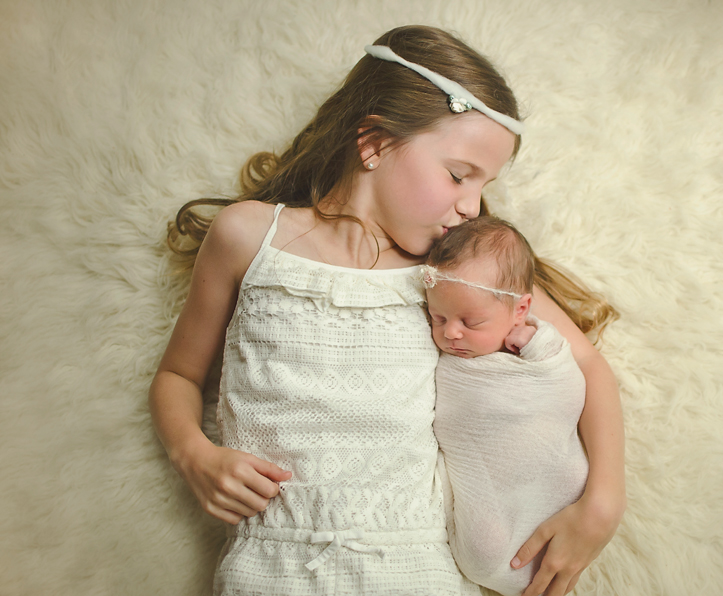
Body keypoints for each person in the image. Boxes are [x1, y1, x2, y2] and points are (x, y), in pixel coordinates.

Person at [148, 25, 625, 596]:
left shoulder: (455, 275)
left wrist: (602, 505)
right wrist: (194, 454)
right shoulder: (250, 236)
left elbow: (590, 369)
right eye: (457, 174)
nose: (471, 206)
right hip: (272, 566)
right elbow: (178, 376)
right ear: (373, 142)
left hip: (417, 568)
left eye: (484, 184)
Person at [422, 217, 599, 596]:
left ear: (520, 310)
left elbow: (566, 378)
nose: (451, 332)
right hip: (487, 470)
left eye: (472, 321)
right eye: (438, 317)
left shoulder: (533, 337)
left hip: (544, 458)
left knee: (571, 477)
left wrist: (538, 346)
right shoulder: (453, 356)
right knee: (482, 549)